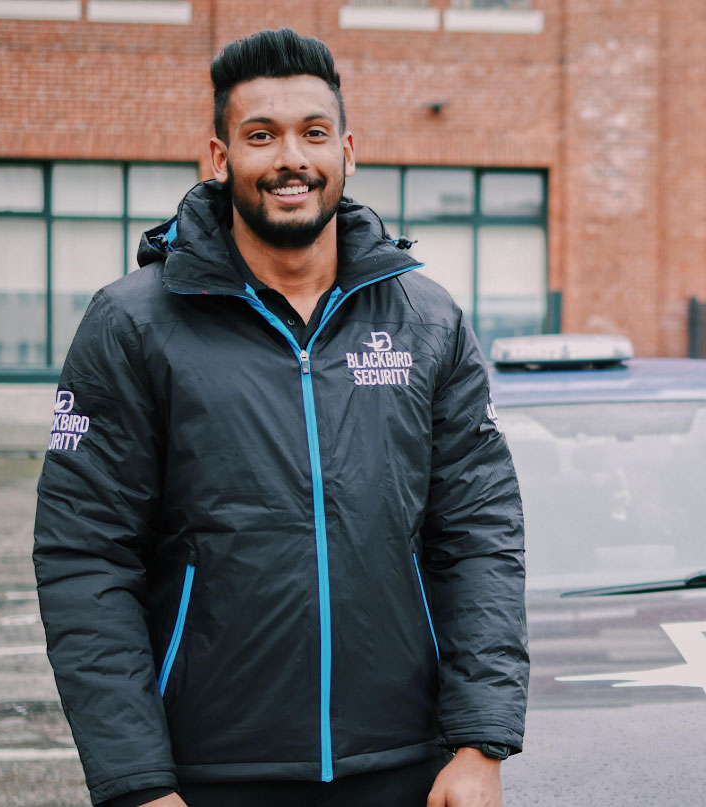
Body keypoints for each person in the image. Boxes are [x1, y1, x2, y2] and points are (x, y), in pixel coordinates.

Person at [33, 28, 527, 807]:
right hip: (208, 776)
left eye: (313, 133)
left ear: (348, 151)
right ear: (220, 156)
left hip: (407, 767)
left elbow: (479, 533)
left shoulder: (426, 321)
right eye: (260, 135)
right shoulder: (132, 324)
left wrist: (480, 742)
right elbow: (85, 558)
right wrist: (136, 783)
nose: (290, 158)